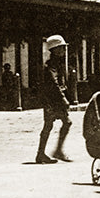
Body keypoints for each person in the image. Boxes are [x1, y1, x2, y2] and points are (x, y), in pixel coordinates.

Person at [36, 35, 71, 164]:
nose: (63, 51)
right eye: (61, 48)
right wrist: (63, 99)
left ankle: (51, 152)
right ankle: (45, 153)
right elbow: (54, 83)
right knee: (50, 125)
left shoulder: (57, 64)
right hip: (52, 100)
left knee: (62, 123)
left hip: (54, 100)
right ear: (55, 50)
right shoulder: (51, 66)